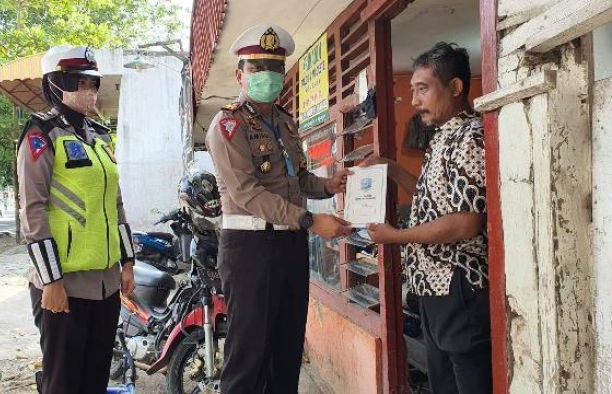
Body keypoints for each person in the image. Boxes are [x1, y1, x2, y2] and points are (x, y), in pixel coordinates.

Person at [205, 24, 353, 394]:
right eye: (257, 68)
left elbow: (297, 177)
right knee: (249, 354)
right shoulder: (227, 125)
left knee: (286, 348)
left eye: (274, 68)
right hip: (250, 249)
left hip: (290, 245)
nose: (266, 76)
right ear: (240, 75)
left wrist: (328, 185)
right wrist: (309, 219)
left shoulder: (285, 122)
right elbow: (248, 193)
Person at [363, 42, 491, 394]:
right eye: (413, 90)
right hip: (433, 288)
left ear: (454, 88)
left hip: (458, 286)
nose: (415, 101)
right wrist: (391, 169)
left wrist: (395, 236)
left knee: (469, 383)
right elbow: (431, 194)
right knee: (443, 384)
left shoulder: (471, 135)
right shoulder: (443, 137)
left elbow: (467, 222)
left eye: (423, 89)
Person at [17, 45, 136, 394]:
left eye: (92, 84)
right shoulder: (42, 134)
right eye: (78, 82)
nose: (87, 91)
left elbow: (115, 204)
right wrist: (51, 280)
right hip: (64, 287)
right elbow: (33, 210)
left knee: (95, 379)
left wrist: (127, 263)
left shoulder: (99, 136)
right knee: (64, 383)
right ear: (54, 84)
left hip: (105, 284)